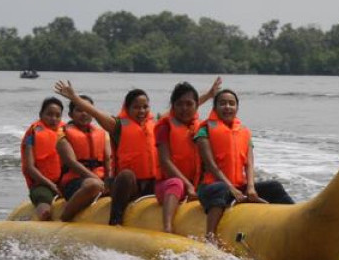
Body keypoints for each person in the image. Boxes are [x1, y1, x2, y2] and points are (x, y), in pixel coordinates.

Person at [54, 78, 221, 226]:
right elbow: (95, 113)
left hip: (151, 184)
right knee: (126, 175)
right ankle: (115, 219)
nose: (141, 111)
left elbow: (183, 108)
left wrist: (208, 95)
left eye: (145, 107)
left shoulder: (155, 123)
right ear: (127, 108)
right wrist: (74, 98)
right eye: (136, 107)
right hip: (128, 186)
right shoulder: (117, 126)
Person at [195, 89, 294, 245]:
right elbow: (211, 165)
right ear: (215, 107)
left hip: (238, 187)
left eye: (231, 103)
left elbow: (249, 164)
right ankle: (210, 236)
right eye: (222, 103)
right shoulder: (204, 131)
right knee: (221, 187)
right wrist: (231, 189)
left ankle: (295, 219)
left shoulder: (244, 132)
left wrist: (250, 188)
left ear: (237, 107)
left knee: (274, 186)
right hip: (211, 187)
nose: (227, 107)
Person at [153, 82, 207, 234]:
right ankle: (167, 227)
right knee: (176, 183)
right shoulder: (165, 128)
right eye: (179, 104)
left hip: (195, 185)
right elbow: (165, 161)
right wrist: (188, 185)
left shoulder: (202, 129)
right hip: (167, 185)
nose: (184, 108)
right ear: (173, 106)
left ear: (196, 106)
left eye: (189, 104)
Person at [55, 94, 110, 222]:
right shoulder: (62, 134)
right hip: (75, 182)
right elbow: (71, 162)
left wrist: (109, 181)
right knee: (93, 185)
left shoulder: (102, 133)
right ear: (70, 114)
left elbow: (108, 160)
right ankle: (65, 217)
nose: (84, 114)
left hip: (100, 179)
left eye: (87, 110)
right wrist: (98, 181)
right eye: (79, 110)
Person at [20, 97, 64, 221]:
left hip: (63, 182)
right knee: (44, 203)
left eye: (57, 115)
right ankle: (43, 220)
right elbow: (30, 167)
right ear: (41, 115)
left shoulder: (65, 132)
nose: (53, 119)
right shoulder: (32, 136)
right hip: (41, 185)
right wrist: (51, 185)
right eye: (49, 114)